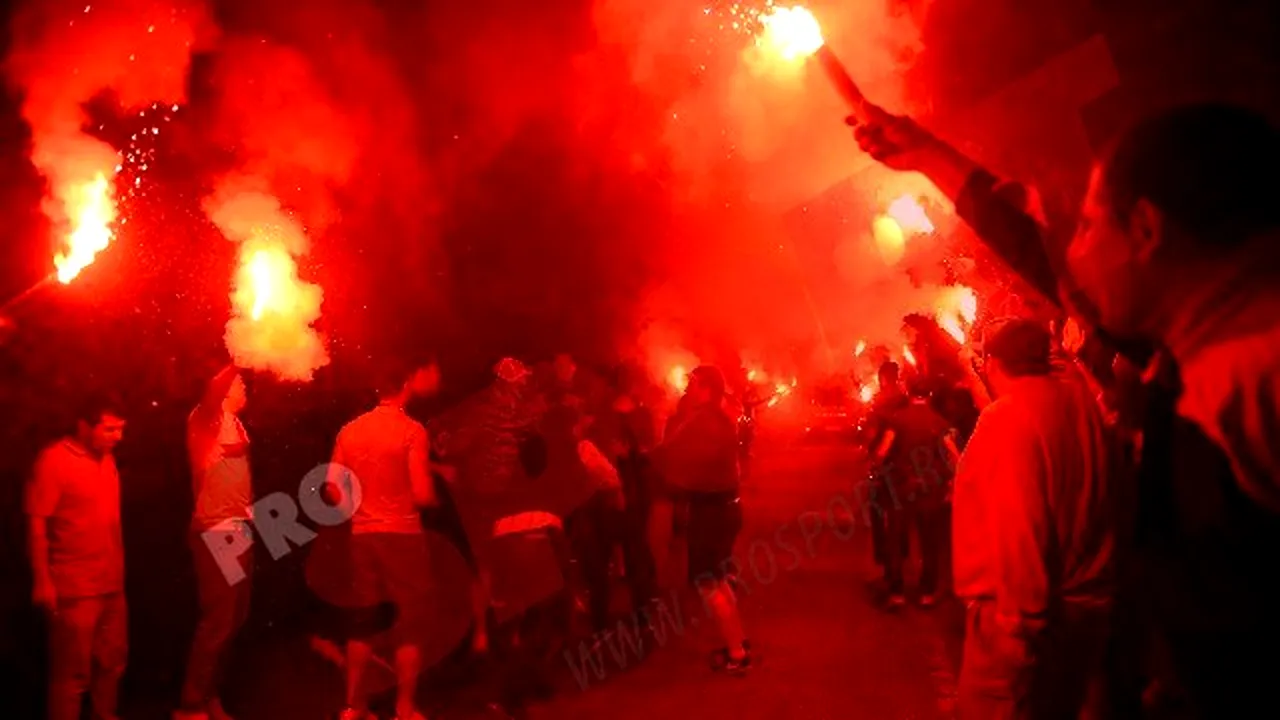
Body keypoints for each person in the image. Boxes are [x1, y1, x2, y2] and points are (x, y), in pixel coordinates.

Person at [852, 101, 1280, 714]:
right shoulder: (1188, 347)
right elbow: (1039, 254)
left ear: (1145, 232)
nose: (1071, 257)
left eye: (1085, 226)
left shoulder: (1257, 380)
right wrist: (926, 156)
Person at [952, 319, 1118, 717]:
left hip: (1021, 623)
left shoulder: (1006, 420)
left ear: (992, 363)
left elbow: (1018, 526)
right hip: (1085, 614)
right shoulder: (1082, 408)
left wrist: (1016, 627)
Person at [328, 359, 441, 720]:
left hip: (363, 535)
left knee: (364, 622)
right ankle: (404, 707)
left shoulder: (349, 431)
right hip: (402, 535)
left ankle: (351, 706)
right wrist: (434, 498)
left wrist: (357, 510)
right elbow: (422, 493)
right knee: (408, 624)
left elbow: (331, 486)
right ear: (405, 384)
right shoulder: (411, 431)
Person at [26, 395, 128, 720]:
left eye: (120, 429)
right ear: (84, 426)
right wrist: (42, 580)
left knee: (111, 665)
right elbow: (37, 521)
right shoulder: (54, 461)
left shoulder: (107, 459)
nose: (117, 437)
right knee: (72, 677)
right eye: (109, 429)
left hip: (112, 584)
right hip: (74, 589)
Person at [654, 366, 750, 674]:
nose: (688, 389)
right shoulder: (720, 418)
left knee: (708, 584)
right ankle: (739, 643)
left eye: (693, 384)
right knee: (720, 581)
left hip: (712, 514)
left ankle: (736, 655)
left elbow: (676, 459)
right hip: (724, 510)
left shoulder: (704, 422)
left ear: (707, 388)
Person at [176, 366, 252, 720]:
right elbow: (213, 387)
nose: (244, 386)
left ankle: (210, 695)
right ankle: (190, 705)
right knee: (219, 620)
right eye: (239, 383)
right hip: (215, 529)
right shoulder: (205, 418)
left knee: (236, 618)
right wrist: (239, 355)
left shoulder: (235, 423)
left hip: (240, 529)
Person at [870, 375, 960, 609]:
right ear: (929, 394)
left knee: (895, 538)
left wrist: (879, 471)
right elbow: (954, 455)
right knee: (929, 540)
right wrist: (950, 482)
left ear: (908, 392)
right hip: (931, 490)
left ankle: (896, 592)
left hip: (900, 488)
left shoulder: (897, 420)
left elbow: (882, 452)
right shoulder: (940, 422)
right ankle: (927, 593)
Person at [862, 361, 909, 580]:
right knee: (901, 517)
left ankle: (887, 564)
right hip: (906, 467)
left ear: (882, 378)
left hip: (884, 467)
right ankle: (901, 555)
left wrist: (869, 454)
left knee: (879, 513)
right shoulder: (905, 398)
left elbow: (872, 434)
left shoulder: (879, 402)